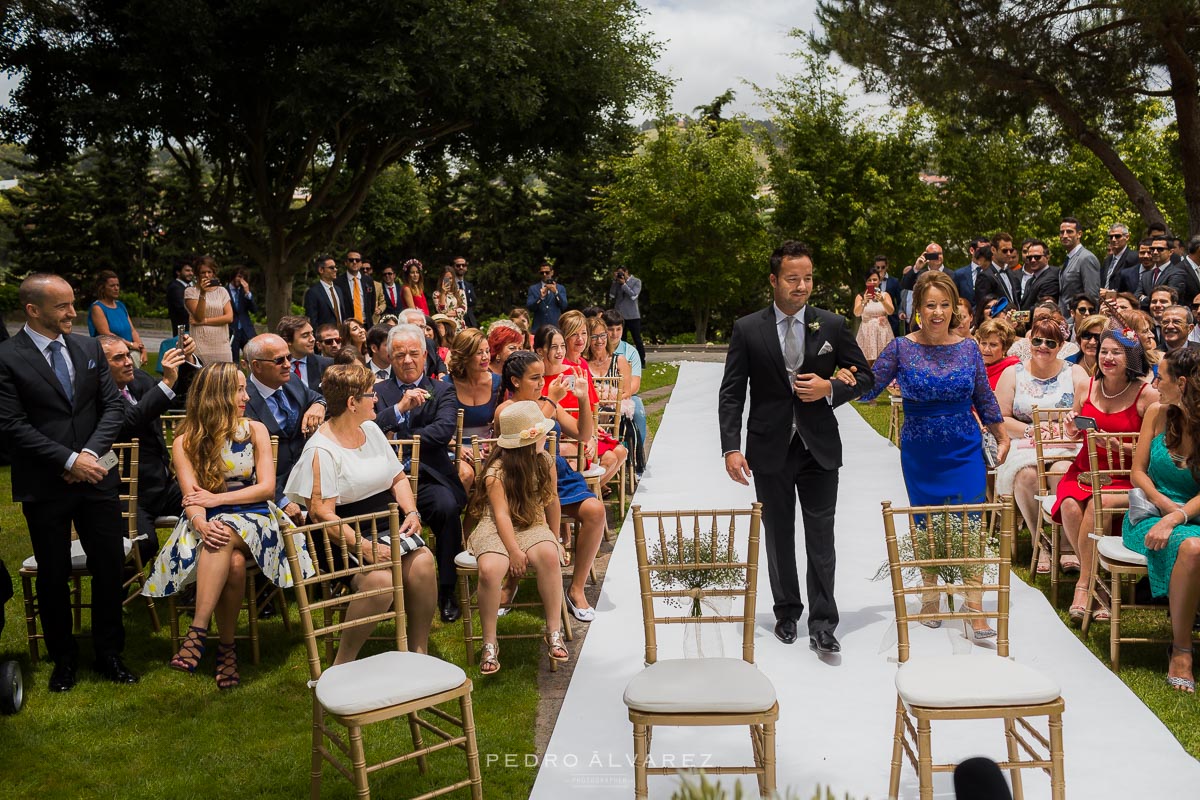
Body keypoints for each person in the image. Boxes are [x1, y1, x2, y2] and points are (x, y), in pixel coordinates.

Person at [718, 240, 874, 654]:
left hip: (818, 448)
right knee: (778, 536)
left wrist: (831, 388)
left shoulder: (833, 325)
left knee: (821, 536)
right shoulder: (747, 329)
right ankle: (787, 612)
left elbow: (866, 376)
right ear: (774, 280)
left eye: (807, 278)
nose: (801, 286)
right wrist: (731, 448)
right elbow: (732, 392)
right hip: (768, 448)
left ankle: (824, 622)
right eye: (792, 278)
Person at [0, 273, 134, 691]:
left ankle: (109, 653)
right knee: (53, 574)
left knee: (110, 566)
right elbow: (10, 423)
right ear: (33, 310)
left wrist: (89, 456)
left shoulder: (88, 346)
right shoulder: (7, 355)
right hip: (45, 484)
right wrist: (67, 459)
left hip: (95, 479)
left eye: (72, 303)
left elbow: (111, 408)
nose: (72, 312)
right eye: (62, 306)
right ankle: (64, 659)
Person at [143, 363, 312, 689]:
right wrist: (200, 524)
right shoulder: (185, 440)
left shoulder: (255, 430)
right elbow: (192, 497)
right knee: (231, 561)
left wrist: (215, 502)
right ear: (216, 394)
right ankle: (227, 650)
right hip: (208, 523)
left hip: (256, 518)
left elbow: (265, 489)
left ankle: (197, 631)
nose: (246, 396)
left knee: (224, 535)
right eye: (238, 389)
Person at [860, 270, 1010, 638]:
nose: (938, 312)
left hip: (964, 446)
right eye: (931, 305)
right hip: (920, 451)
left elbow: (984, 396)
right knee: (926, 520)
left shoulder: (969, 348)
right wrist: (832, 385)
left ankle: (973, 605)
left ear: (954, 308)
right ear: (918, 309)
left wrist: (1001, 435)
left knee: (970, 521)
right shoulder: (900, 348)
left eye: (945, 305)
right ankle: (930, 593)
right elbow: (868, 387)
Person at [283, 363, 434, 660]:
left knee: (424, 563)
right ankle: (344, 661)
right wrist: (364, 547)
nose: (376, 398)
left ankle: (418, 652)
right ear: (352, 403)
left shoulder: (371, 429)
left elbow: (398, 478)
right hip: (340, 535)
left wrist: (412, 512)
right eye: (371, 394)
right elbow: (322, 515)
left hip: (385, 523)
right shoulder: (321, 451)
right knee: (380, 581)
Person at [1052, 329, 1157, 622]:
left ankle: (1086, 585)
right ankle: (1098, 584)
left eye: (1116, 352)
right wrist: (1073, 426)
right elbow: (1073, 430)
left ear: (1131, 357)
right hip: (1084, 471)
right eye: (1104, 351)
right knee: (1071, 505)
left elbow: (1154, 451)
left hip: (1125, 477)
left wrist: (1111, 443)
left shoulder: (1147, 396)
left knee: (1094, 508)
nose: (1107, 358)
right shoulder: (1087, 386)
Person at [498, 351, 604, 621]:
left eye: (542, 377)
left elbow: (583, 433)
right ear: (515, 381)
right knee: (525, 518)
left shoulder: (548, 404)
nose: (541, 383)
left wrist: (582, 400)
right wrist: (552, 400)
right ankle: (511, 583)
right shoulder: (505, 410)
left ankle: (577, 588)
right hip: (520, 477)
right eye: (534, 378)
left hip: (554, 470)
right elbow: (529, 434)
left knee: (595, 511)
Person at [465, 400, 568, 674]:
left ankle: (553, 630)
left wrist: (555, 538)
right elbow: (500, 516)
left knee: (547, 555)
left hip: (532, 521)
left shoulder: (545, 461)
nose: (545, 436)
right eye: (541, 433)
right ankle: (489, 642)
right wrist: (513, 551)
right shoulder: (496, 472)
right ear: (527, 441)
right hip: (497, 526)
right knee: (490, 569)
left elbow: (551, 501)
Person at [373, 323, 467, 623]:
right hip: (384, 482)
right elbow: (368, 429)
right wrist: (399, 408)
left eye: (414, 353)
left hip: (429, 476)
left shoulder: (442, 390)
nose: (407, 360)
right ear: (390, 357)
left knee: (447, 508)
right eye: (400, 355)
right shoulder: (377, 391)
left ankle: (447, 588)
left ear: (425, 355)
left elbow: (442, 431)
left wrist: (397, 435)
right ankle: (381, 589)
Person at [1122, 347, 1200, 692]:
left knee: (1192, 543)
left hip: (1191, 514)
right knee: (1193, 548)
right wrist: (1166, 508)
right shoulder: (1156, 412)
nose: (1154, 384)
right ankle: (1182, 650)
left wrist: (1180, 516)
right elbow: (1138, 473)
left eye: (1161, 377)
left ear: (1181, 383)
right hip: (1150, 515)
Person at [992, 319, 1084, 571]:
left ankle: (1066, 544)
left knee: (1062, 472)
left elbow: (1085, 412)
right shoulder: (1013, 373)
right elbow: (1001, 417)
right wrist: (1030, 430)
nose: (1042, 347)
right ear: (1029, 341)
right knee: (1025, 476)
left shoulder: (1074, 373)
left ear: (1061, 346)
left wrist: (1068, 427)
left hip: (1065, 442)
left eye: (1050, 343)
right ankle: (1039, 542)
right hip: (1024, 442)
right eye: (1037, 341)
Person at [99, 332, 200, 561]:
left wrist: (187, 360)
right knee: (145, 544)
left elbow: (174, 397)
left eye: (128, 355)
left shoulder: (139, 380)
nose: (128, 361)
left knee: (208, 510)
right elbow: (130, 421)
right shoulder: (96, 396)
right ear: (99, 365)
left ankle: (193, 579)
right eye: (118, 358)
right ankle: (117, 588)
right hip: (125, 493)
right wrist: (165, 382)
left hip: (163, 484)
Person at [241, 333, 327, 521]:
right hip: (270, 492)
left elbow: (317, 397)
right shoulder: (243, 402)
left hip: (309, 481)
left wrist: (319, 405)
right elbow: (247, 463)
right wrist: (281, 501)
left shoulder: (292, 381)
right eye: (279, 360)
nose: (288, 364)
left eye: (289, 357)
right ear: (256, 366)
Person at [443, 328, 502, 489]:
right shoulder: (446, 384)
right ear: (464, 355)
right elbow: (435, 425)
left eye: (487, 351)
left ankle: (476, 514)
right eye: (478, 353)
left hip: (487, 448)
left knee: (494, 475)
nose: (485, 357)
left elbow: (502, 424)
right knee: (466, 474)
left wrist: (493, 446)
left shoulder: (499, 384)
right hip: (453, 447)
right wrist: (456, 447)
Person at [87, 270, 145, 366]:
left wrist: (142, 348)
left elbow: (132, 330)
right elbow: (106, 334)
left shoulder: (121, 306)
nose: (116, 288)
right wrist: (130, 344)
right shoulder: (97, 308)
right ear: (103, 288)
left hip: (129, 353)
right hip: (112, 356)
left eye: (117, 285)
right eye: (112, 286)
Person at [185, 256, 234, 363]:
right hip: (201, 346)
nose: (207, 275)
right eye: (203, 272)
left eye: (209, 272)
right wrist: (203, 293)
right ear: (197, 274)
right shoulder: (190, 292)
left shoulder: (222, 291)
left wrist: (205, 321)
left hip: (222, 346)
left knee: (224, 377)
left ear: (213, 273)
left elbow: (229, 317)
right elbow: (199, 316)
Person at [1057, 217, 1102, 317]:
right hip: (1066, 321)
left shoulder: (1086, 258)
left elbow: (1092, 296)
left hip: (1079, 321)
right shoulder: (1068, 259)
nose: (1064, 235)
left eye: (1069, 232)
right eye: (1062, 232)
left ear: (1079, 234)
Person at [277, 315, 332, 394]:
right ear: (288, 340)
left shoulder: (327, 365)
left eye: (312, 333)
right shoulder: (276, 367)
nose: (312, 339)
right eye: (305, 336)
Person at [853, 268, 895, 365]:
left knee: (883, 362)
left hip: (883, 331)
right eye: (869, 280)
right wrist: (864, 301)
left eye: (875, 280)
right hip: (867, 332)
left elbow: (891, 311)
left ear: (879, 281)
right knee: (867, 363)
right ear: (866, 282)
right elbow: (857, 313)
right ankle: (868, 380)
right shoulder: (860, 296)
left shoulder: (885, 295)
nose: (872, 282)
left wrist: (882, 300)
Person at [607, 266, 645, 364]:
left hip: (633, 315)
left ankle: (641, 360)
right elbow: (611, 295)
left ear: (626, 272)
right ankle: (619, 360)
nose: (620, 275)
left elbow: (633, 296)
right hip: (619, 316)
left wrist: (624, 284)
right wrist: (615, 282)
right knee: (620, 339)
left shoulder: (636, 281)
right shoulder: (617, 283)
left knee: (637, 338)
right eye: (618, 273)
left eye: (621, 273)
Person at [303, 255, 347, 329]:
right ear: (321, 270)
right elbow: (312, 321)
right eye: (332, 268)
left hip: (342, 336)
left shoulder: (338, 290)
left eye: (335, 267)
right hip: (326, 338)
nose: (335, 270)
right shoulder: (312, 293)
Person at [335, 250, 376, 328]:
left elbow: (372, 303)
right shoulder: (338, 282)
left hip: (366, 324)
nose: (354, 262)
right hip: (348, 326)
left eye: (357, 260)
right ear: (345, 263)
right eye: (351, 260)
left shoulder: (368, 280)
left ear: (361, 263)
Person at [975, 318, 1019, 390]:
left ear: (1005, 347)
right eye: (983, 343)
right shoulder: (973, 366)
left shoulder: (1014, 369)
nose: (986, 349)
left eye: (993, 345)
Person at [227, 267, 257, 365]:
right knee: (234, 360)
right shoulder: (224, 290)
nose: (240, 280)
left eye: (243, 278)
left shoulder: (245, 292)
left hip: (246, 330)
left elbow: (254, 310)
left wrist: (248, 293)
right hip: (231, 330)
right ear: (233, 276)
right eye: (239, 276)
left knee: (253, 357)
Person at [527, 262, 568, 331]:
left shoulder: (560, 288)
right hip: (538, 328)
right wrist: (540, 298)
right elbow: (530, 307)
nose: (544, 274)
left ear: (552, 272)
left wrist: (556, 293)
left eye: (547, 272)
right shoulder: (533, 288)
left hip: (555, 327)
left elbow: (564, 306)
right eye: (542, 273)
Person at [167, 258, 195, 332]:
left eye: (192, 271)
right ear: (178, 272)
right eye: (187, 271)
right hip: (182, 332)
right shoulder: (175, 288)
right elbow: (184, 309)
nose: (191, 273)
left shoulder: (191, 287)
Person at [452, 256, 479, 329]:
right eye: (458, 265)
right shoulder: (449, 286)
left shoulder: (469, 285)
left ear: (466, 268)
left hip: (470, 322)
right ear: (453, 267)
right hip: (455, 322)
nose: (461, 267)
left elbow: (473, 303)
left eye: (463, 265)